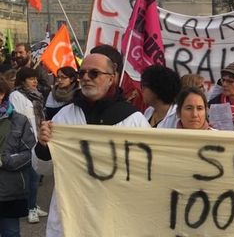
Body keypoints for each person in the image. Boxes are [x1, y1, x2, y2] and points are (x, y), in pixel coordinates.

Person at [34, 53, 150, 237]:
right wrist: (43, 146)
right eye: (82, 74)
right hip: (72, 217)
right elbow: (44, 170)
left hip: (114, 217)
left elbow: (145, 172)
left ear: (111, 78)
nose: (86, 78)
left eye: (94, 73)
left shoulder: (133, 120)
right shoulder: (64, 117)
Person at [9, 67, 47, 224]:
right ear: (22, 80)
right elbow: (17, 120)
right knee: (30, 177)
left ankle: (32, 204)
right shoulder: (16, 96)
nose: (35, 81)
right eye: (31, 79)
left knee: (35, 175)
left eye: (36, 78)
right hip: (25, 142)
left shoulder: (36, 96)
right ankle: (30, 209)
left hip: (38, 140)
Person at [0, 77, 36, 237]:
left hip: (9, 191)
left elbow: (31, 154)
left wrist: (4, 160)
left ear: (2, 94)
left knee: (10, 232)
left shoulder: (19, 121)